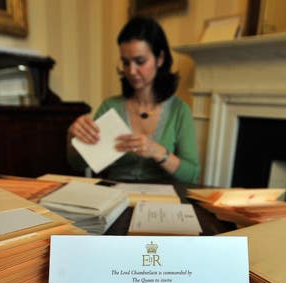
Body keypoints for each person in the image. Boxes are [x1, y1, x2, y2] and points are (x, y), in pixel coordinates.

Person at [68, 17, 200, 183]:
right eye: (125, 62)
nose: (131, 70)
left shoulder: (179, 111)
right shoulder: (111, 107)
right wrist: (74, 139)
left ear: (160, 58)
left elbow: (192, 175)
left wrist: (157, 151)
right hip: (117, 195)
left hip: (163, 200)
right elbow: (78, 165)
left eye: (140, 61)